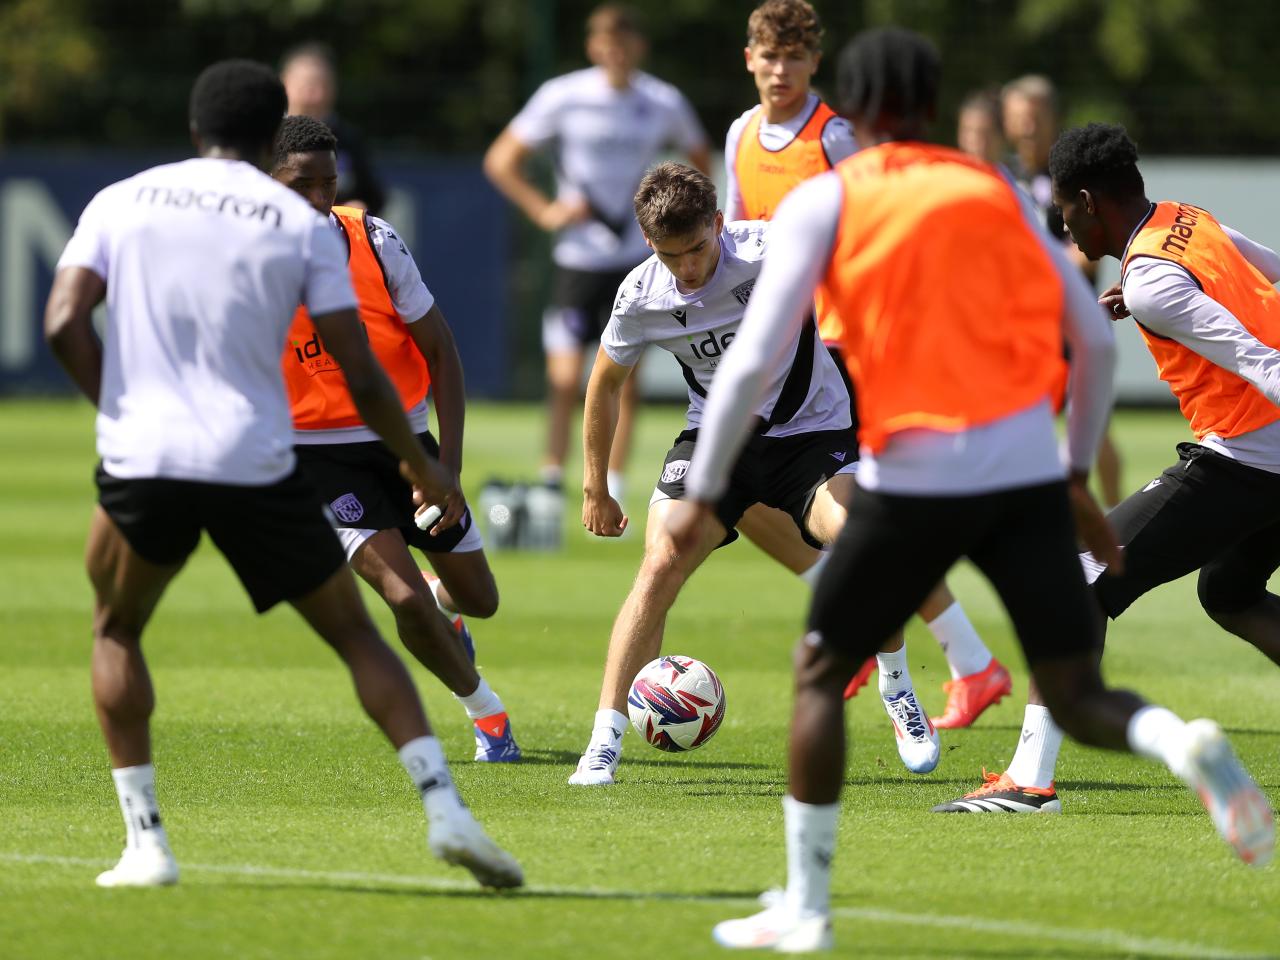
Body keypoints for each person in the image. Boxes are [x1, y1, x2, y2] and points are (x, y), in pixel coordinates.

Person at [669, 31, 1272, 951]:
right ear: (932, 100)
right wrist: (1072, 471)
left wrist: (708, 483)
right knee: (1077, 677)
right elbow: (1080, 329)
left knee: (822, 672)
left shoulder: (829, 197)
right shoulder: (990, 187)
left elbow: (754, 355)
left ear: (856, 112)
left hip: (920, 468)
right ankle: (1178, 744)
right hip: (1024, 461)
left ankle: (807, 908)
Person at [43, 60, 521, 890]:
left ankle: (146, 844)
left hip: (149, 454)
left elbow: (62, 322)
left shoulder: (120, 200)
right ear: (270, 140)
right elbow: (361, 370)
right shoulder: (293, 224)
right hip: (264, 456)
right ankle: (447, 811)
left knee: (115, 630)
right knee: (359, 633)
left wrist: (117, 410)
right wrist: (424, 467)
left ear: (195, 130)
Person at [935, 122, 1280, 816]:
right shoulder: (1185, 221)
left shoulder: (1153, 279)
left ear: (1089, 201)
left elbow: (1258, 363)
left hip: (1250, 455)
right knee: (1230, 592)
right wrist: (1146, 291)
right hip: (1264, 452)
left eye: (1064, 212)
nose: (1066, 228)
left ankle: (1030, 784)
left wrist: (1150, 293)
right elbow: (1268, 273)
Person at [569, 161, 941, 788]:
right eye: (670, 255)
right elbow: (604, 382)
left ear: (719, 224)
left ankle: (898, 685)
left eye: (696, 249)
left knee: (858, 542)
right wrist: (594, 484)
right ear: (647, 244)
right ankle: (602, 742)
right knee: (660, 562)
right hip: (717, 439)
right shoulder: (640, 294)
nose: (687, 269)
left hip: (812, 432)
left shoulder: (771, 249)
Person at [727, 0, 1010, 730]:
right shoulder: (739, 136)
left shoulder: (836, 137)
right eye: (769, 54)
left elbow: (888, 223)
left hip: (845, 353)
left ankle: (947, 659)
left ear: (815, 62)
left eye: (795, 56)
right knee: (748, 494)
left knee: (870, 513)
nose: (781, 68)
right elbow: (736, 237)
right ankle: (876, 631)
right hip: (778, 356)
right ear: (749, 58)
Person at [273, 115, 520, 763]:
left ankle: (452, 613)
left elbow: (440, 350)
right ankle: (489, 717)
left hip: (407, 445)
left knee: (479, 599)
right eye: (303, 185)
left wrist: (451, 465)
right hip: (321, 459)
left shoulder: (374, 239)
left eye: (330, 183)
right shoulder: (246, 260)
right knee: (404, 599)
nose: (320, 199)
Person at [483, 4, 710, 508]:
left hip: (637, 259)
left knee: (624, 380)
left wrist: (665, 203)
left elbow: (700, 159)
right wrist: (543, 210)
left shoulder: (661, 100)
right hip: (576, 261)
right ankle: (550, 478)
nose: (616, 54)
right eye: (607, 45)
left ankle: (617, 482)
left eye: (625, 44)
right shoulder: (564, 97)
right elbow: (501, 159)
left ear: (639, 48)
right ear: (593, 48)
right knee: (565, 377)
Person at [1003, 73, 1125, 507]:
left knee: (1093, 425)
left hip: (1079, 314)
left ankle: (1116, 517)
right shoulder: (1004, 174)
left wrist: (1039, 264)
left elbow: (1087, 249)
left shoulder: (1071, 173)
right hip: (1028, 324)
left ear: (1052, 118)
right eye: (1019, 117)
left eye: (1035, 117)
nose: (1027, 127)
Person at [280, 42, 386, 214]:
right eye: (308, 86)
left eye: (324, 86)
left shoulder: (349, 139)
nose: (317, 96)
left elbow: (373, 196)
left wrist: (359, 207)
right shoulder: (264, 136)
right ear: (285, 84)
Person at [956, 88, 1004, 164]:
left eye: (985, 133)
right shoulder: (943, 172)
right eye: (967, 131)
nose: (974, 140)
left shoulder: (1008, 175)